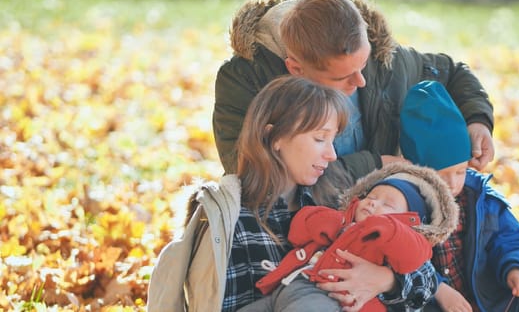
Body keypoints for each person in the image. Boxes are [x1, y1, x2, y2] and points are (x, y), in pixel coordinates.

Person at [147, 76, 437, 312]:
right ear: (275, 138)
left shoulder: (334, 202)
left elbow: (426, 279)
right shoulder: (232, 217)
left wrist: (384, 281)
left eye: (333, 140)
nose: (333, 154)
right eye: (320, 139)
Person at [213, 0, 495, 187]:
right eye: (341, 77)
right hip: (295, 239)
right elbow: (253, 177)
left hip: (382, 222)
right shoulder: (246, 82)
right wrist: (372, 166)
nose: (360, 81)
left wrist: (478, 120)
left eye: (363, 65)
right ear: (296, 69)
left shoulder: (384, 61)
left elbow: (453, 73)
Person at [399, 81, 519, 312]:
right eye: (441, 174)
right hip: (435, 301)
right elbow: (399, 259)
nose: (453, 183)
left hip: (484, 297)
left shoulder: (479, 198)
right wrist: (437, 287)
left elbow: (509, 237)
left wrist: (516, 268)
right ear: (417, 170)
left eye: (460, 171)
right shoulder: (403, 203)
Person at [240, 164, 459, 312]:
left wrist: (389, 227)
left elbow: (416, 255)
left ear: (409, 222)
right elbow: (296, 234)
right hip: (288, 286)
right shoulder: (341, 223)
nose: (373, 203)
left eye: (388, 204)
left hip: (330, 299)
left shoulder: (398, 243)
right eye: (371, 197)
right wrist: (320, 220)